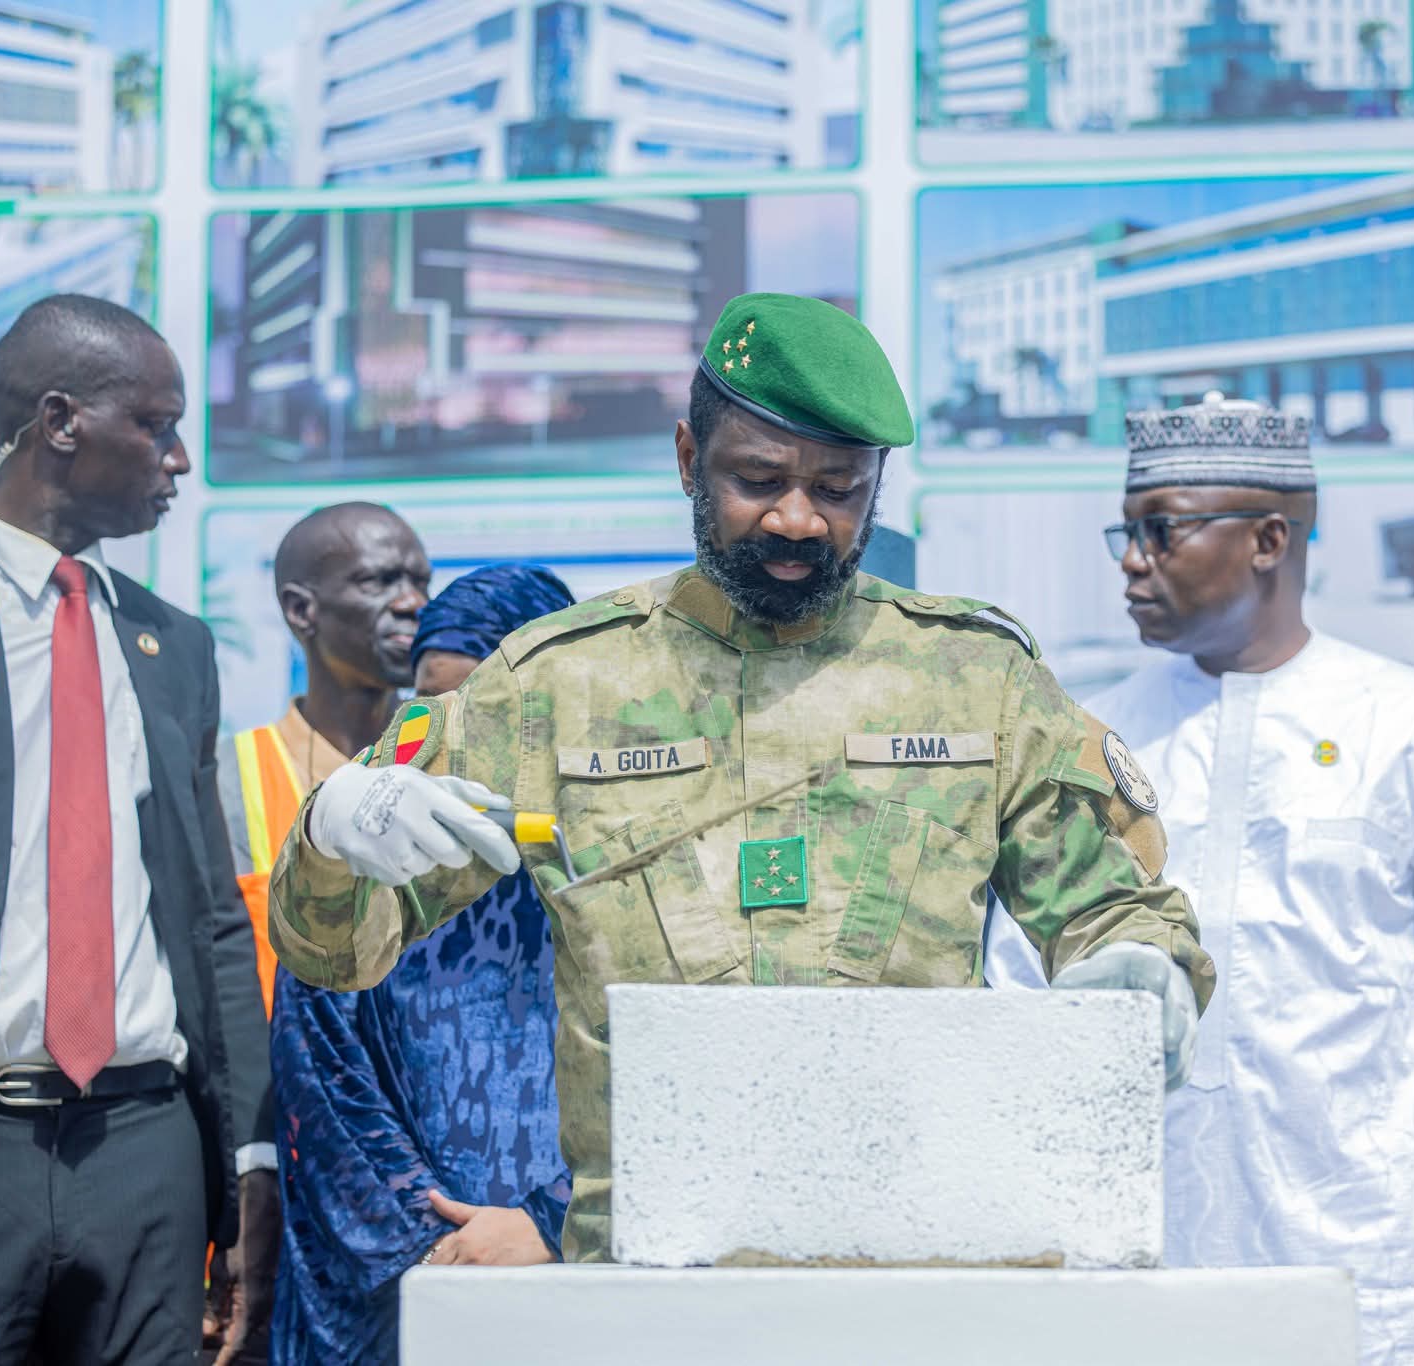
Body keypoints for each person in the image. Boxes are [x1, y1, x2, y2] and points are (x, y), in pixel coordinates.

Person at [266, 292, 1214, 1264]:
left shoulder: (976, 680)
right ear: (689, 459)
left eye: (838, 489)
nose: (797, 520)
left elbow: (1110, 911)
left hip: (915, 1262)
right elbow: (337, 954)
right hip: (652, 1275)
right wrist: (334, 839)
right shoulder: (554, 684)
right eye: (757, 480)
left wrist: (1141, 972)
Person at [0, 294, 272, 1364]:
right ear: (61, 421)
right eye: (156, 427)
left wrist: (249, 1161)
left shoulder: (176, 647)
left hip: (145, 1152)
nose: (181, 460)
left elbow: (211, 921)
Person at [1091, 394, 1414, 1366]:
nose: (1132, 561)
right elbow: (1027, 996)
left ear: (1269, 539)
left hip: (1359, 1269)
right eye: (1126, 532)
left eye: (1161, 530)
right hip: (1139, 1260)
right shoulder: (1095, 737)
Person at [268, 565, 574, 1364]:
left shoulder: (608, 868)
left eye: (480, 706)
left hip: (578, 1281)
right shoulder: (359, 862)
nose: (453, 734)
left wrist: (551, 1223)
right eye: (430, 704)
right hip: (401, 1286)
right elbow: (325, 1084)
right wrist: (436, 1242)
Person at [217, 502, 434, 1013]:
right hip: (281, 1060)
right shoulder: (227, 779)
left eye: (421, 582)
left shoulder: (447, 755)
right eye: (378, 581)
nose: (414, 602)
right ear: (301, 610)